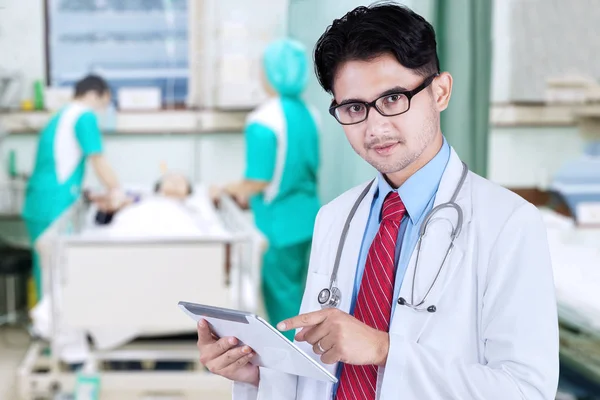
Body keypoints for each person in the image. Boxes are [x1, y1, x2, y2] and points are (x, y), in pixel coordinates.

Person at [196, 4, 559, 400]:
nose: (375, 127)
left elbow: (526, 390)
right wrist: (257, 374)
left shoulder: (509, 224)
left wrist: (385, 351)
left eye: (392, 99)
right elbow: (319, 368)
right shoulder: (335, 218)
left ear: (441, 92)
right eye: (354, 108)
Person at [212, 38, 321, 341]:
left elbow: (257, 182)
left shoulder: (263, 120)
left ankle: (292, 367)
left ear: (269, 73)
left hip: (277, 225)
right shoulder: (311, 114)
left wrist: (224, 189)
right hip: (308, 218)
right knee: (300, 296)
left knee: (283, 306)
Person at [22, 74, 124, 303]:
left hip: (40, 200)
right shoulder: (84, 116)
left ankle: (46, 327)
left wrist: (87, 191)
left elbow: (62, 161)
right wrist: (118, 190)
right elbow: (97, 159)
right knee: (55, 272)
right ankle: (53, 330)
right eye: (105, 102)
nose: (104, 109)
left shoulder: (60, 115)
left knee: (45, 270)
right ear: (98, 95)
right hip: (55, 203)